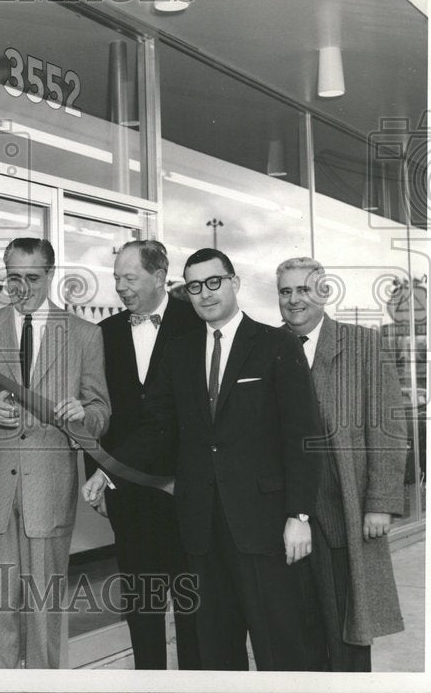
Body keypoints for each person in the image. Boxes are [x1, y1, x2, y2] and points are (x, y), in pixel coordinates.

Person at [117, 247, 323, 671]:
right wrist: (109, 470)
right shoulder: (179, 352)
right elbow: (158, 427)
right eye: (194, 287)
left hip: (263, 527)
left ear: (234, 283)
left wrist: (298, 515)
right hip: (201, 530)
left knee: (279, 649)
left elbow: (303, 435)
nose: (205, 294)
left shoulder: (275, 343)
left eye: (214, 282)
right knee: (215, 653)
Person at [0, 237, 110, 669]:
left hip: (49, 491)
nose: (21, 287)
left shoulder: (85, 334)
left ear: (50, 275)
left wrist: (85, 413)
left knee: (45, 611)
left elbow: (102, 409)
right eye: (13, 278)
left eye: (32, 278)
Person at [277, 257, 405, 671]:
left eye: (304, 289)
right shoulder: (267, 347)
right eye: (285, 291)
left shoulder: (363, 344)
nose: (294, 300)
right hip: (285, 514)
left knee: (348, 630)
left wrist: (380, 501)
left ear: (325, 292)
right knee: (299, 631)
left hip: (343, 510)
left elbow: (387, 426)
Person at [82, 239, 202, 670]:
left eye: (129, 278)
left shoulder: (197, 322)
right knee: (141, 606)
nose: (120, 287)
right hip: (128, 494)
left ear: (158, 276)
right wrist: (100, 476)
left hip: (187, 494)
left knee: (194, 610)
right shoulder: (106, 332)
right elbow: (97, 410)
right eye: (116, 278)